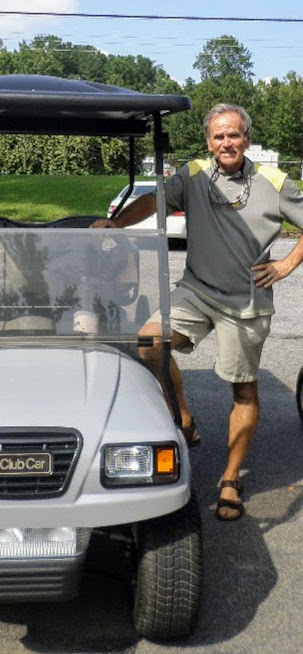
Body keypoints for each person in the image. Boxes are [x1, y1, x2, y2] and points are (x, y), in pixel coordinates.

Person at [91, 103, 303, 520]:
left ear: (247, 139)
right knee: (150, 342)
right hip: (196, 289)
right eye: (219, 136)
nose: (227, 142)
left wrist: (285, 265)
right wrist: (116, 225)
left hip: (245, 300)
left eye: (235, 134)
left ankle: (230, 479)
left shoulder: (275, 181)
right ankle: (183, 415)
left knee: (243, 390)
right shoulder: (192, 175)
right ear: (209, 141)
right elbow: (153, 199)